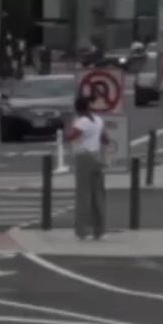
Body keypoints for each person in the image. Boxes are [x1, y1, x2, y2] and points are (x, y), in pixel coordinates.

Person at [64, 95, 109, 240]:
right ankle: (99, 229)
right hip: (96, 157)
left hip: (84, 157)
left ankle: (82, 230)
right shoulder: (98, 120)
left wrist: (68, 126)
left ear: (77, 108)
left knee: (83, 195)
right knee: (97, 194)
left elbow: (70, 137)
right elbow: (105, 139)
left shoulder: (81, 122)